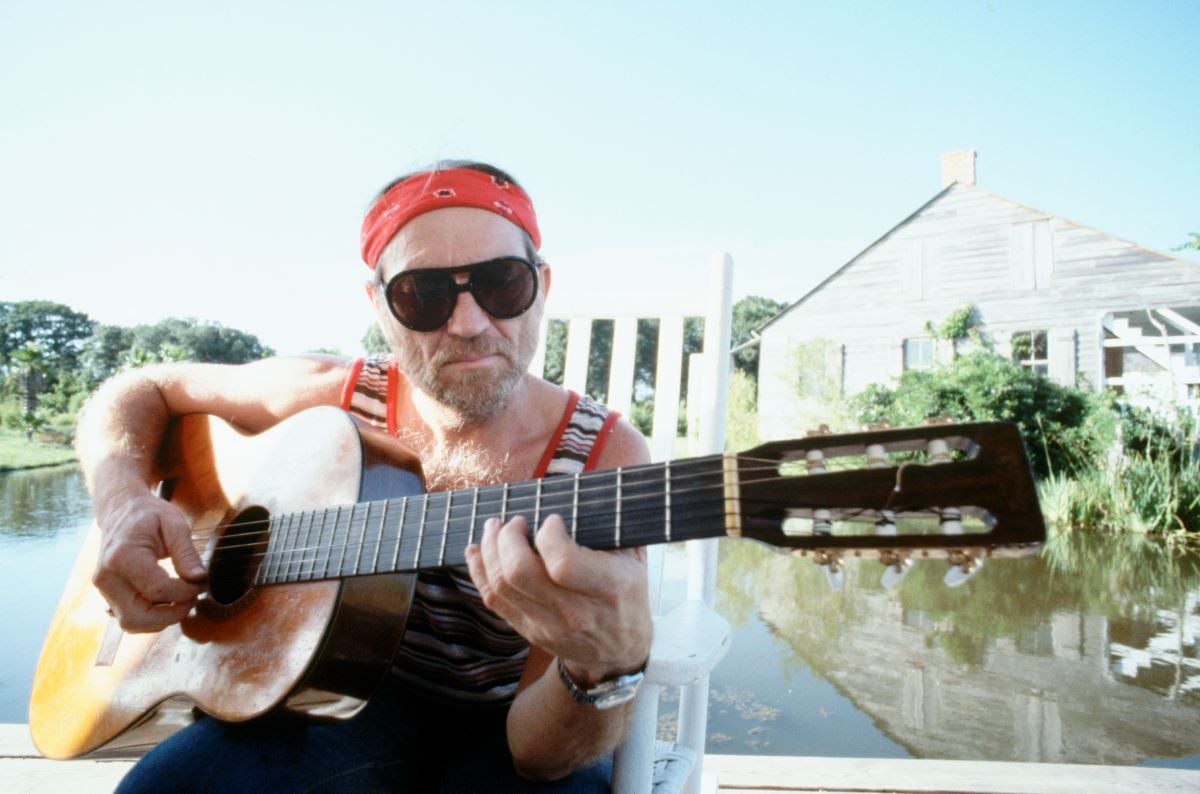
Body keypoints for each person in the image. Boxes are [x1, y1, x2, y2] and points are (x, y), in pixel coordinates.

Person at [76, 160, 654, 792]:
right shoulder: (331, 398)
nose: (468, 323)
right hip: (324, 695)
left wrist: (602, 665)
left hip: (506, 720)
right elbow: (142, 388)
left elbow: (536, 756)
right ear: (379, 305)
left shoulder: (600, 457)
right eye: (423, 295)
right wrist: (122, 498)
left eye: (503, 283)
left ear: (542, 284)